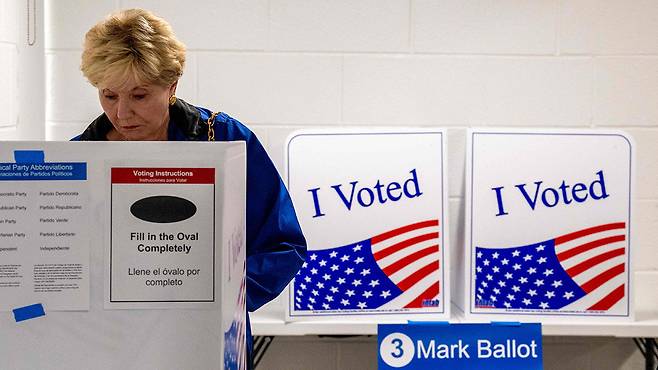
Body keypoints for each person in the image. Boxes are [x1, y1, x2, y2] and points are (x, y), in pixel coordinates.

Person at [72, 8, 307, 369]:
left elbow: (282, 246)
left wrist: (220, 300)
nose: (121, 114)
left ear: (172, 88)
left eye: (138, 96)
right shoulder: (76, 159)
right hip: (108, 343)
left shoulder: (226, 139)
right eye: (108, 96)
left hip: (206, 340)